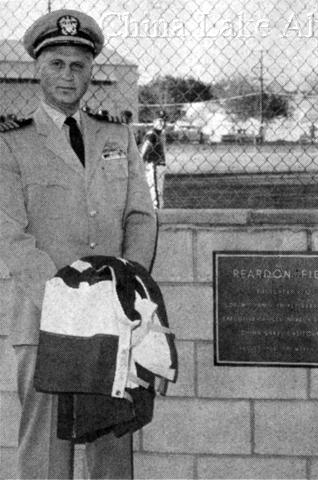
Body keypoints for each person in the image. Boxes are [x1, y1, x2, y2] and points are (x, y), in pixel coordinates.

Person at [0, 9, 156, 479]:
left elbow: (140, 217)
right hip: (45, 318)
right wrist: (66, 300)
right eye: (57, 64)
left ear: (91, 72)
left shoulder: (116, 134)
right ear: (37, 69)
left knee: (111, 444)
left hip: (113, 317)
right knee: (47, 449)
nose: (68, 75)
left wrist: (125, 287)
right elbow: (11, 233)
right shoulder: (11, 144)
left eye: (79, 65)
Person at [140, 117, 166, 208]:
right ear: (154, 122)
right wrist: (141, 160)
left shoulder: (159, 134)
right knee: (155, 191)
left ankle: (157, 212)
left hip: (158, 165)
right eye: (159, 121)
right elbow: (145, 148)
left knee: (157, 191)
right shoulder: (152, 134)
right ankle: (156, 213)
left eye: (163, 121)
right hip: (154, 165)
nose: (161, 123)